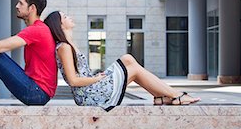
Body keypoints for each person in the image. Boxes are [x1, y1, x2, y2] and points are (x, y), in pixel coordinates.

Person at [43, 11, 200, 111]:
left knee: (127, 59)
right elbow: (73, 80)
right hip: (89, 96)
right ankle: (175, 95)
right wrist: (96, 78)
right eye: (65, 17)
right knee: (134, 69)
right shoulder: (63, 47)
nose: (69, 16)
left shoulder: (69, 45)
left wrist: (96, 76)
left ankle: (161, 96)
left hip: (93, 88)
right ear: (60, 25)